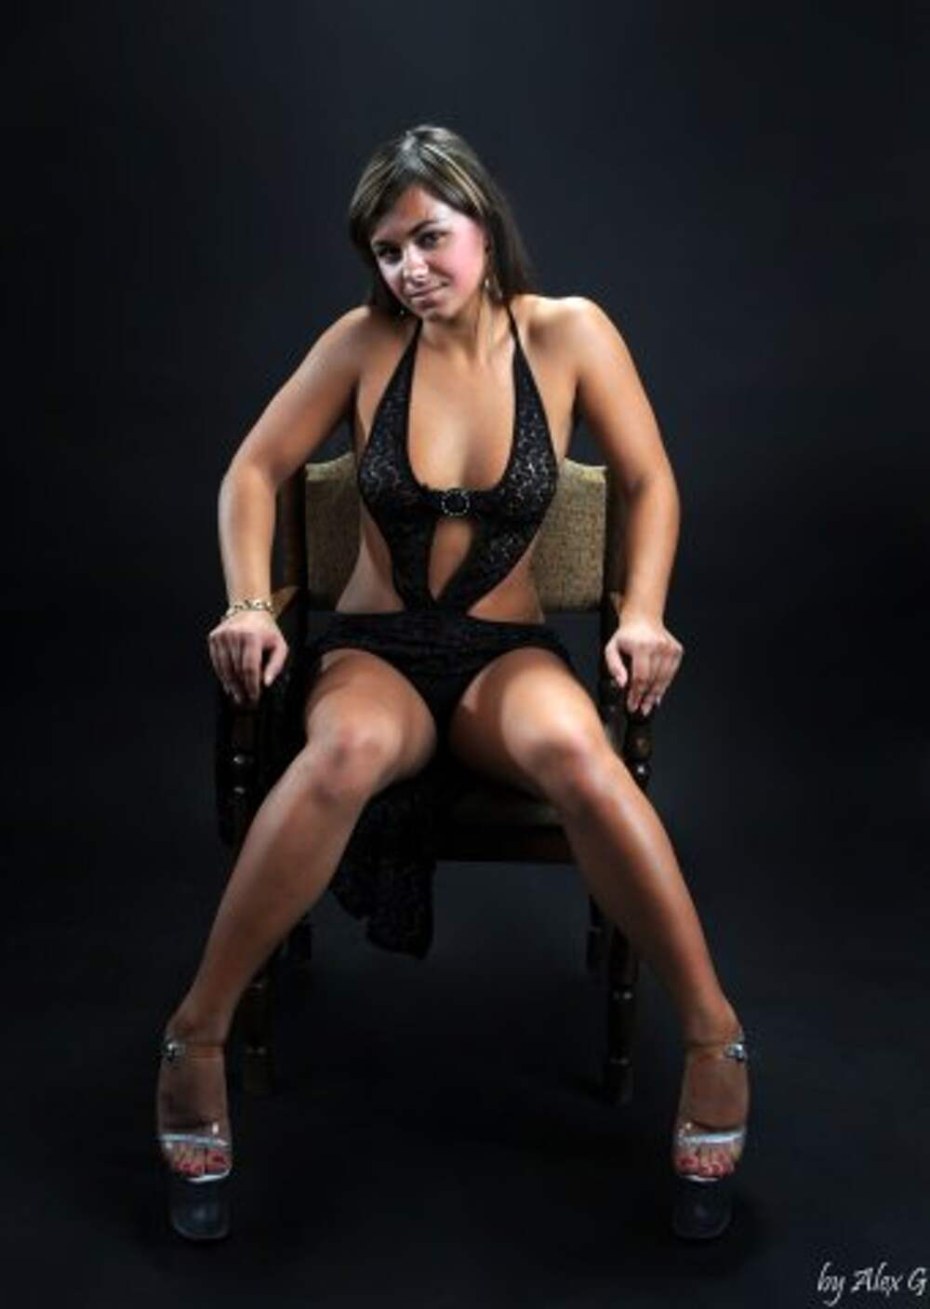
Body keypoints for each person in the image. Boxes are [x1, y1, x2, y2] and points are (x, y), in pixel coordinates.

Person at [155, 123, 751, 1243]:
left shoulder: (569, 333)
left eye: (429, 238)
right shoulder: (361, 342)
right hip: (375, 654)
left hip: (502, 658)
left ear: (483, 220)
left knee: (578, 751)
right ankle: (197, 1034)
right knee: (344, 750)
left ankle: (716, 1034)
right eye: (387, 252)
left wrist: (643, 611)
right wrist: (248, 603)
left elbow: (649, 480)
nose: (409, 269)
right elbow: (253, 469)